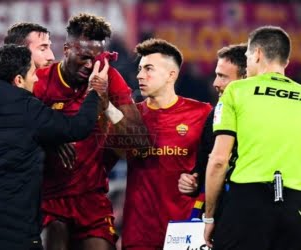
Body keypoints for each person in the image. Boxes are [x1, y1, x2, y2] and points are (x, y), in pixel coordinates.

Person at [0, 44, 106, 250]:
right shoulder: (26, 107)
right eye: (33, 73)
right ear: (18, 80)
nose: (36, 79)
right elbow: (76, 128)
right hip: (14, 236)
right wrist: (94, 92)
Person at [33, 13, 146, 250]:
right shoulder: (41, 81)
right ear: (66, 49)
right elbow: (16, 127)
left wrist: (105, 102)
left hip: (91, 198)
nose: (89, 66)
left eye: (95, 60)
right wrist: (52, 137)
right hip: (48, 197)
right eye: (83, 58)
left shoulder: (108, 77)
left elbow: (138, 139)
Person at [204, 26, 301, 250]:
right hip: (295, 206)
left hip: (247, 203)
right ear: (284, 61)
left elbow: (219, 160)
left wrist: (210, 217)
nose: (247, 63)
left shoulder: (237, 91)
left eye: (247, 56)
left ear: (257, 54)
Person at [122, 38, 212, 250]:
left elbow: (217, 163)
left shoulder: (202, 113)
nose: (140, 75)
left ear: (171, 74)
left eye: (148, 69)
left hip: (185, 231)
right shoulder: (131, 116)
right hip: (139, 233)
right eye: (140, 69)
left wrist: (197, 180)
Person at [178, 44, 247, 216]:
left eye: (223, 77)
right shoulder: (215, 114)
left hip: (249, 210)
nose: (215, 83)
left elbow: (218, 162)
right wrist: (192, 181)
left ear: (244, 78)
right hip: (221, 211)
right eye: (216, 75)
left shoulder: (264, 117)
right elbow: (202, 168)